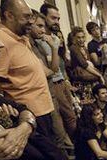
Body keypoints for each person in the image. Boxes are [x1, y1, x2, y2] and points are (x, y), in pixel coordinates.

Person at [0, 0, 55, 139]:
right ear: (9, 16)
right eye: (26, 17)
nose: (31, 21)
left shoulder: (21, 38)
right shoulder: (1, 41)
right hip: (29, 115)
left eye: (31, 17)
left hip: (43, 110)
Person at [39, 3, 77, 140]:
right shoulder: (38, 40)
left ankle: (80, 147)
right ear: (44, 17)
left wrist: (66, 79)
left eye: (58, 19)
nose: (56, 22)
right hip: (51, 83)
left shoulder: (56, 38)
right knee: (62, 120)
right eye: (53, 18)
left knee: (71, 115)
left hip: (61, 81)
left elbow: (60, 63)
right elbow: (49, 69)